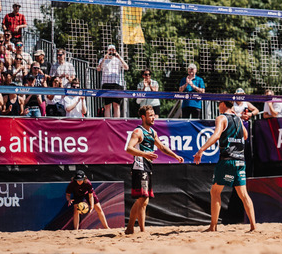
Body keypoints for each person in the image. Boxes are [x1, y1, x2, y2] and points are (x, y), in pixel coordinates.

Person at [194, 100, 257, 233]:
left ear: (224, 104)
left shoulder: (221, 118)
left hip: (227, 160)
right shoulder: (238, 120)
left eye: (219, 103)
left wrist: (201, 150)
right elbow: (245, 136)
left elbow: (216, 135)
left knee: (215, 192)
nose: (217, 106)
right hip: (240, 160)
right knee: (244, 195)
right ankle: (253, 226)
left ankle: (213, 226)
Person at [124, 105, 184, 234]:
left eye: (153, 115)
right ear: (143, 117)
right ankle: (142, 230)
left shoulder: (152, 132)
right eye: (150, 115)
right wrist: (145, 154)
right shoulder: (138, 131)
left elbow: (161, 147)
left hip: (147, 166)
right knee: (143, 200)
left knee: (141, 199)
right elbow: (128, 148)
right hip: (139, 166)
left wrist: (175, 156)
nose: (153, 117)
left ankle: (129, 228)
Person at [97, 44, 129, 118]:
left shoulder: (118, 59)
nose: (111, 52)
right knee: (107, 105)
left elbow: (126, 67)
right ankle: (108, 121)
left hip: (116, 84)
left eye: (113, 50)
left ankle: (116, 122)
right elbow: (98, 69)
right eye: (110, 50)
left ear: (115, 51)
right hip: (106, 83)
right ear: (107, 51)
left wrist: (119, 57)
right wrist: (105, 58)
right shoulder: (103, 59)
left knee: (116, 104)